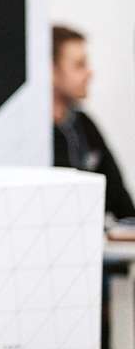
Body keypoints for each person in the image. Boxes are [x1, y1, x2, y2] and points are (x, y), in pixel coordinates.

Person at [52, 25, 135, 219]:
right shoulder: (33, 135)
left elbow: (120, 199)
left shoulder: (84, 124)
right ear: (51, 69)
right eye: (79, 65)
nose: (89, 72)